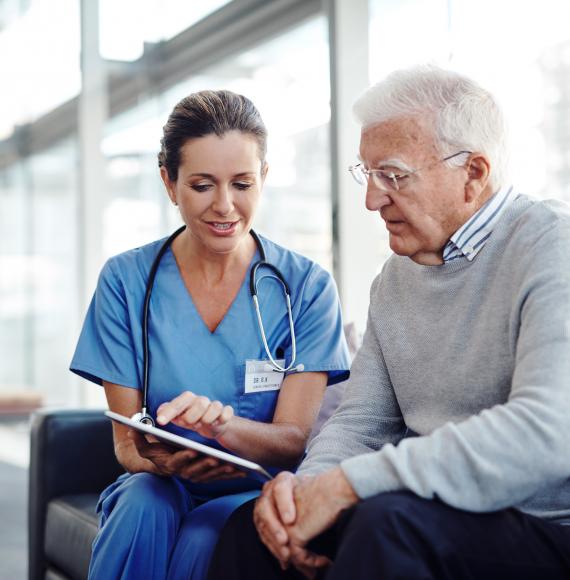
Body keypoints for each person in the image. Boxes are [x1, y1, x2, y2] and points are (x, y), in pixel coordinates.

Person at [207, 65, 570, 580]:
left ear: (473, 173)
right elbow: (361, 422)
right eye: (368, 174)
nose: (372, 199)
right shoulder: (395, 279)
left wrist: (351, 485)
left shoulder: (551, 244)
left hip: (545, 524)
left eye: (393, 176)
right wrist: (305, 493)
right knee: (254, 527)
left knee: (385, 525)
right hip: (432, 513)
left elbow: (548, 431)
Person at [70, 89, 351, 580]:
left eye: (242, 183)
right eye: (202, 185)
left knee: (205, 536)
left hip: (255, 487)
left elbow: (293, 440)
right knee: (142, 505)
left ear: (263, 178)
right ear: (168, 182)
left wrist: (221, 431)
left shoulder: (306, 288)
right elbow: (126, 444)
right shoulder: (125, 281)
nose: (225, 206)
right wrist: (158, 458)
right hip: (159, 483)